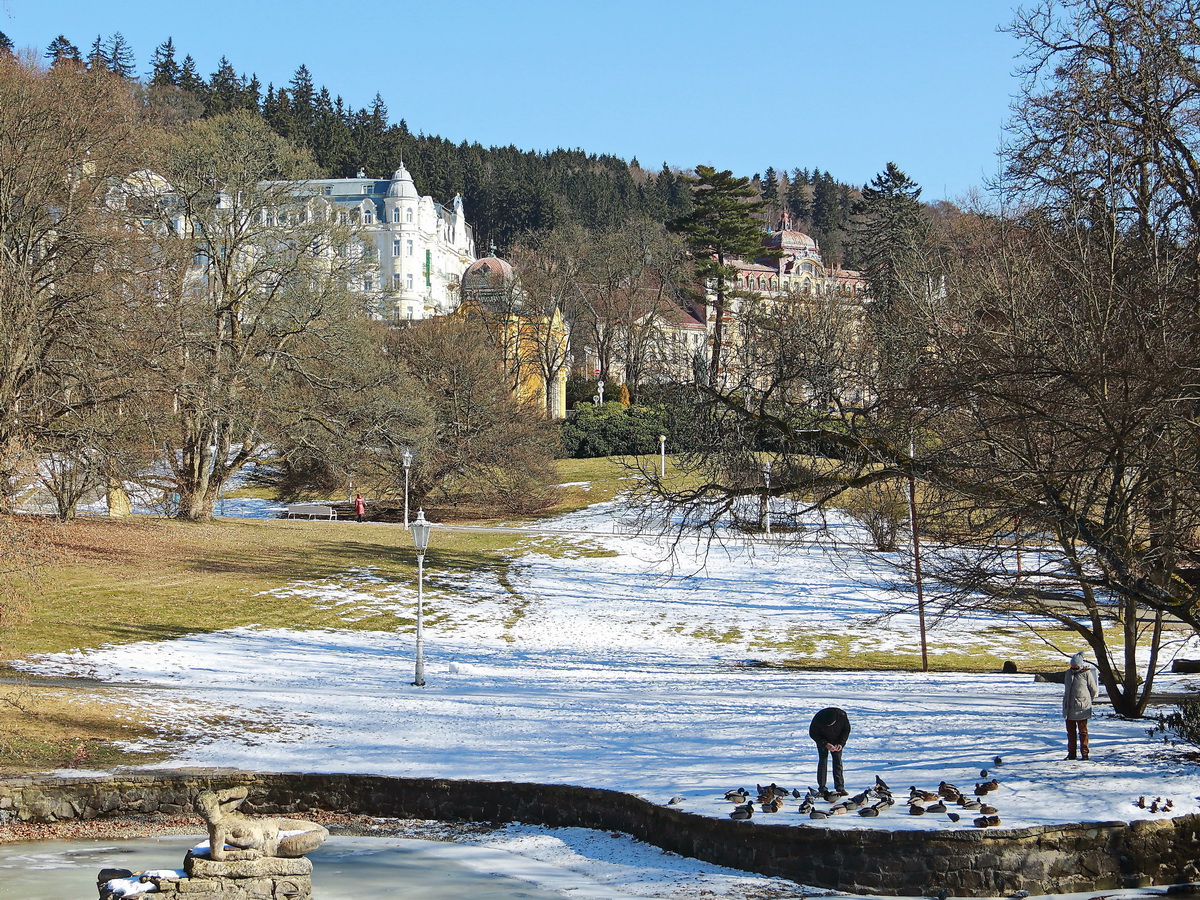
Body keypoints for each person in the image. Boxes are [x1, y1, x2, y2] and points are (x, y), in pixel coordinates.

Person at [1063, 651, 1099, 760]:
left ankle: (1085, 754)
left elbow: (1094, 690)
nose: (1073, 666)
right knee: (1070, 733)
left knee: (1083, 732)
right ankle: (1071, 754)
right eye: (1072, 664)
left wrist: (1086, 700)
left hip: (1082, 708)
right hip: (1069, 708)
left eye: (1075, 665)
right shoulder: (1068, 673)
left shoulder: (1086, 674)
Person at [809, 706, 850, 797]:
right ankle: (822, 788)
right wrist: (825, 743)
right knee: (823, 762)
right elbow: (812, 733)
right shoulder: (818, 717)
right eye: (826, 725)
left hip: (837, 741)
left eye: (830, 724)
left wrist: (841, 743)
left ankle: (840, 788)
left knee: (838, 763)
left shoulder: (842, 715)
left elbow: (846, 730)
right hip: (822, 741)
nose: (828, 726)